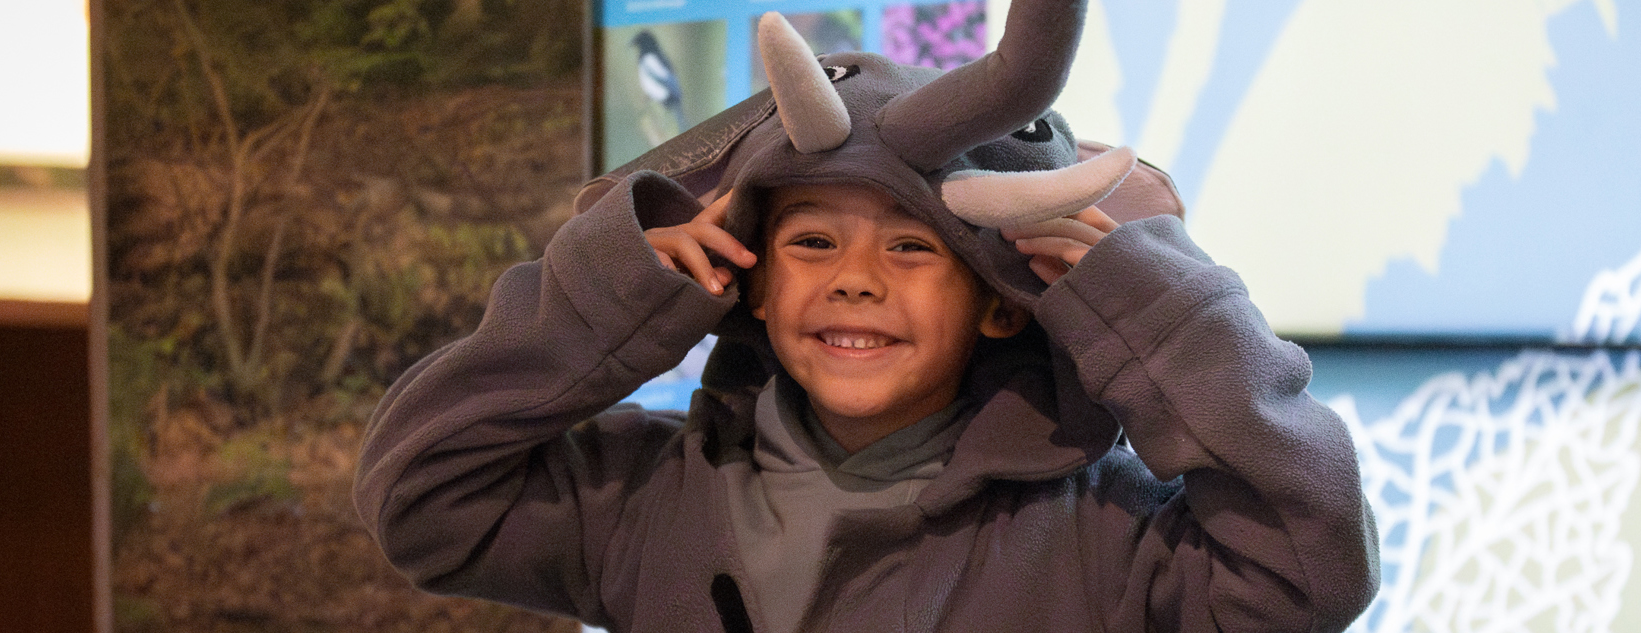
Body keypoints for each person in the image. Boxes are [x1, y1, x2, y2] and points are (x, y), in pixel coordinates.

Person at [355, 4, 1378, 631]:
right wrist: (601, 301)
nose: (854, 279)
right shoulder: (646, 500)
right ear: (751, 282)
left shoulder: (1101, 540)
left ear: (1000, 305)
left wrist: (1156, 309)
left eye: (911, 248)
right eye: (812, 241)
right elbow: (423, 498)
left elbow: (1309, 572)